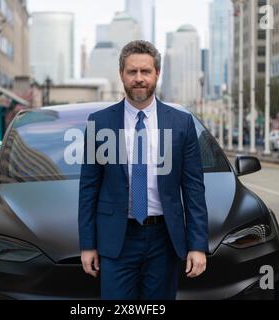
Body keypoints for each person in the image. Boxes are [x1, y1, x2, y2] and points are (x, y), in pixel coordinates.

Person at [78, 40, 209, 300]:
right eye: (132, 72)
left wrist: (197, 246)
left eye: (145, 71)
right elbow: (88, 188)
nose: (139, 79)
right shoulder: (100, 122)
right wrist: (87, 245)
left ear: (156, 74)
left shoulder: (181, 124)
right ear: (122, 75)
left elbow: (194, 188)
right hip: (117, 239)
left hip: (164, 240)